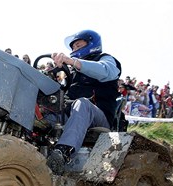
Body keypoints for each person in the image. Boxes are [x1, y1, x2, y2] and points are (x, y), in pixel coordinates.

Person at [46, 30, 122, 174]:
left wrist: (72, 62)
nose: (75, 50)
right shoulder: (72, 71)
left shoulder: (106, 60)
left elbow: (106, 71)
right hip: (71, 114)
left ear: (92, 44)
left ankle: (63, 152)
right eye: (73, 48)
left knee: (83, 103)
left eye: (78, 45)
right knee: (43, 111)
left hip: (99, 117)